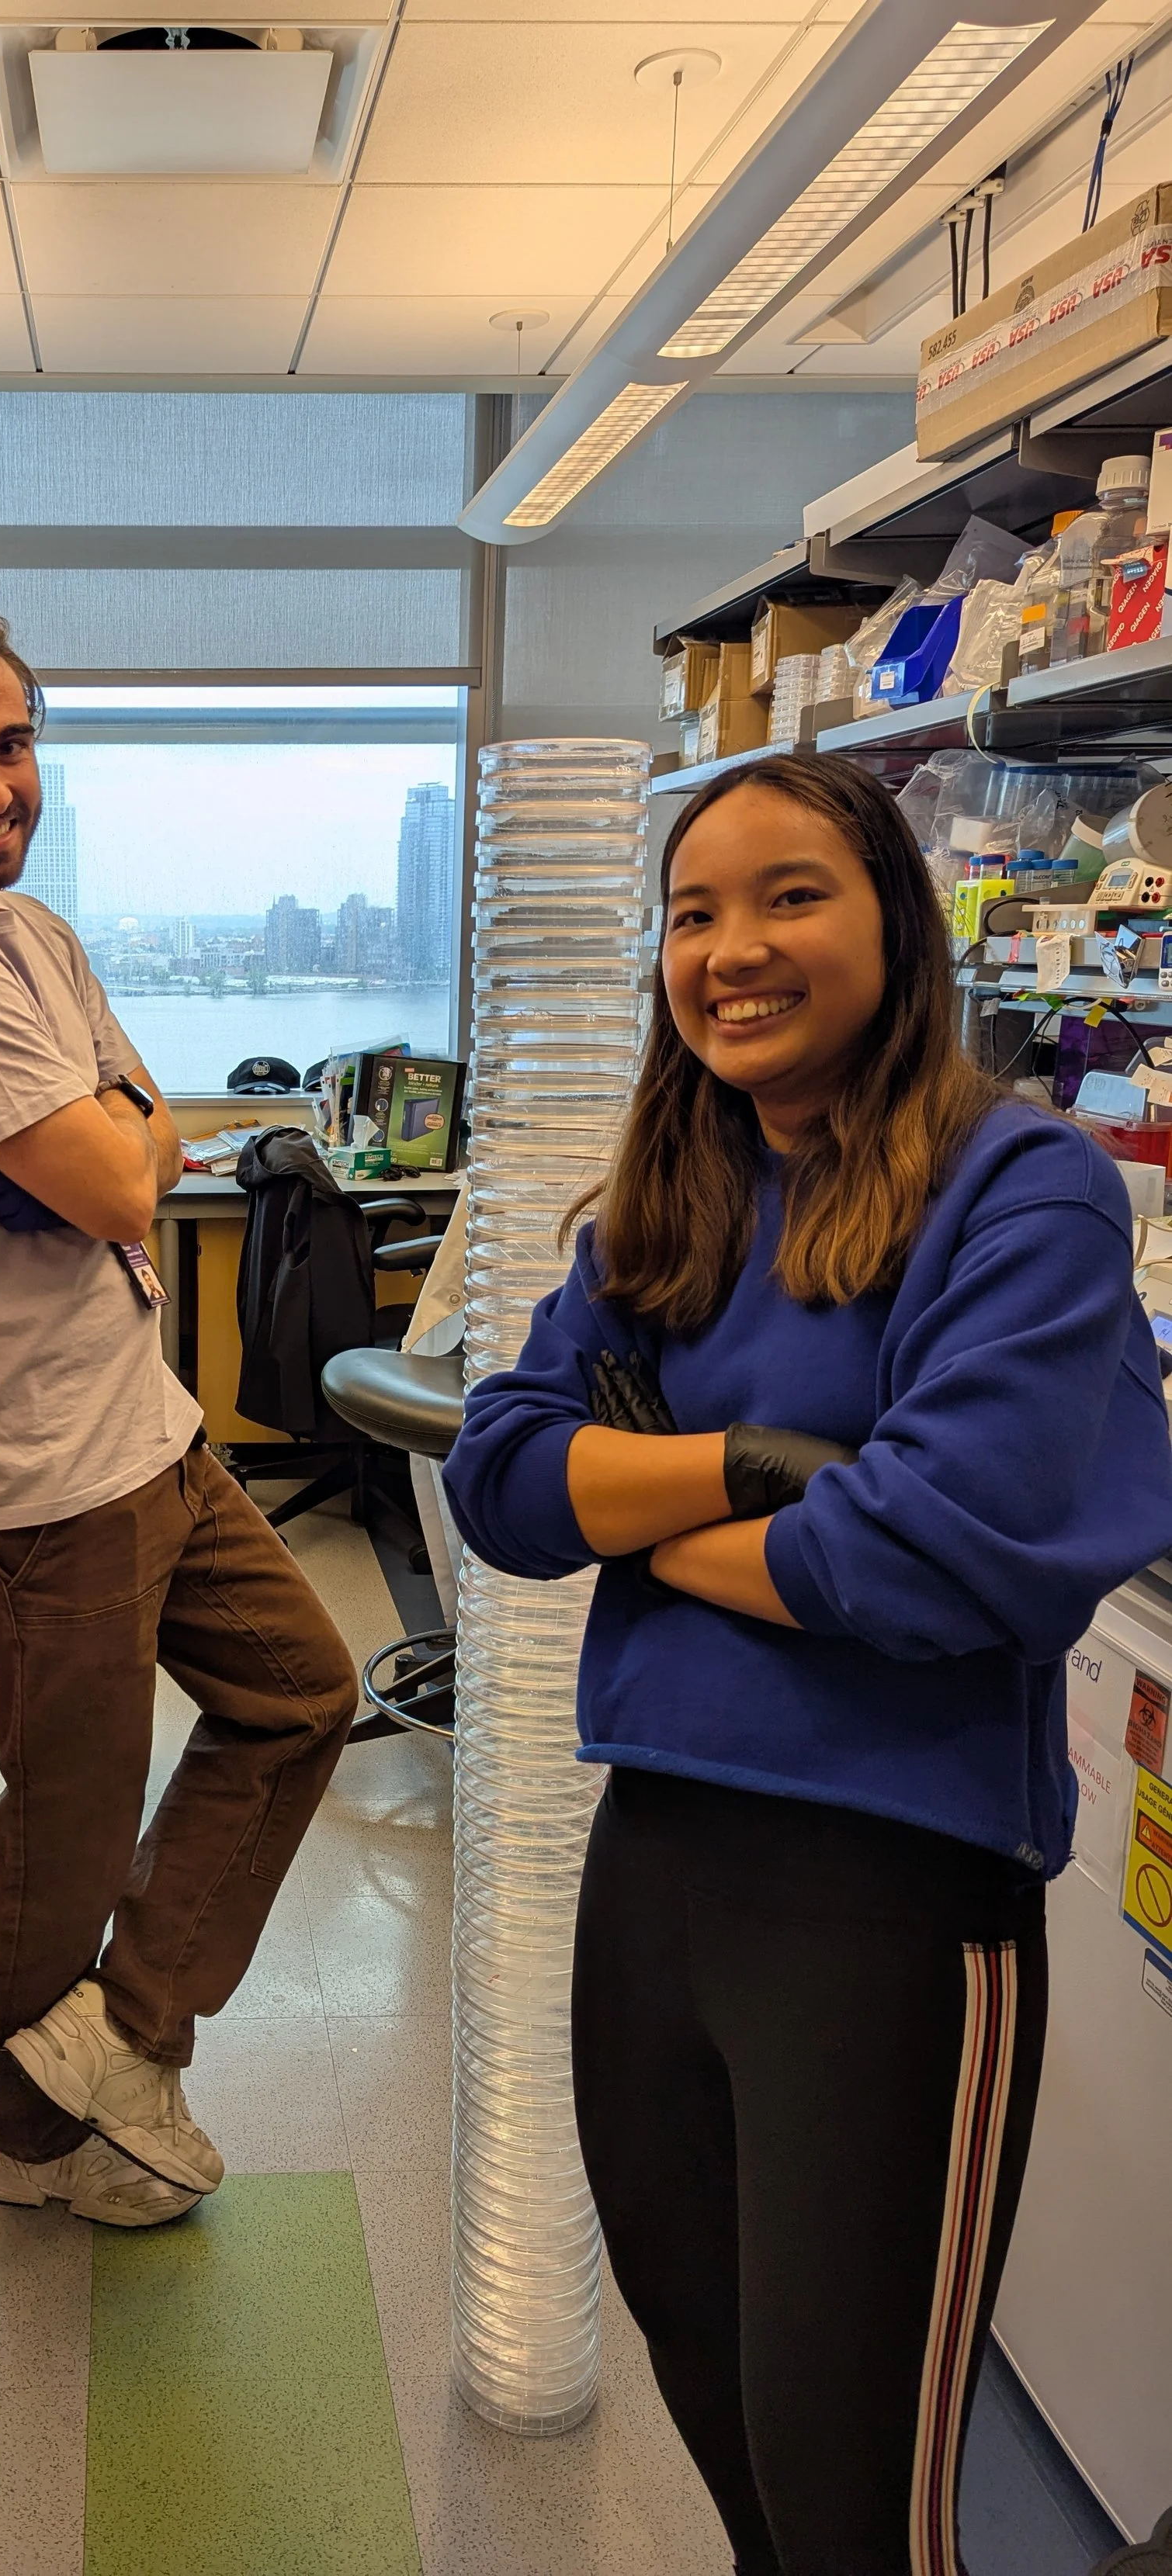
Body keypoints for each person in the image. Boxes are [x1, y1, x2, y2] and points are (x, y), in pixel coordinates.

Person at [442, 751, 1172, 2576]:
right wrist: (768, 1476)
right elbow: (505, 1480)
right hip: (660, 1868)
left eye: (787, 897)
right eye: (692, 913)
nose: (731, 949)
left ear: (892, 927)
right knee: (721, 2407)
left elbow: (925, 1549)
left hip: (888, 1895)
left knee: (852, 2491)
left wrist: (646, 1512)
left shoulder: (1023, 1193)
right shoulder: (659, 1209)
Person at [0, 595, 357, 2231]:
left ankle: (111, 2039)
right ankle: (24, 2142)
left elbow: (150, 1137)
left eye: (8, 743)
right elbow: (124, 1171)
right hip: (34, 1477)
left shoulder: (28, 933)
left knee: (300, 1694)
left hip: (143, 1429)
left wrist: (108, 1138)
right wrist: (109, 1141)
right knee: (64, 1825)